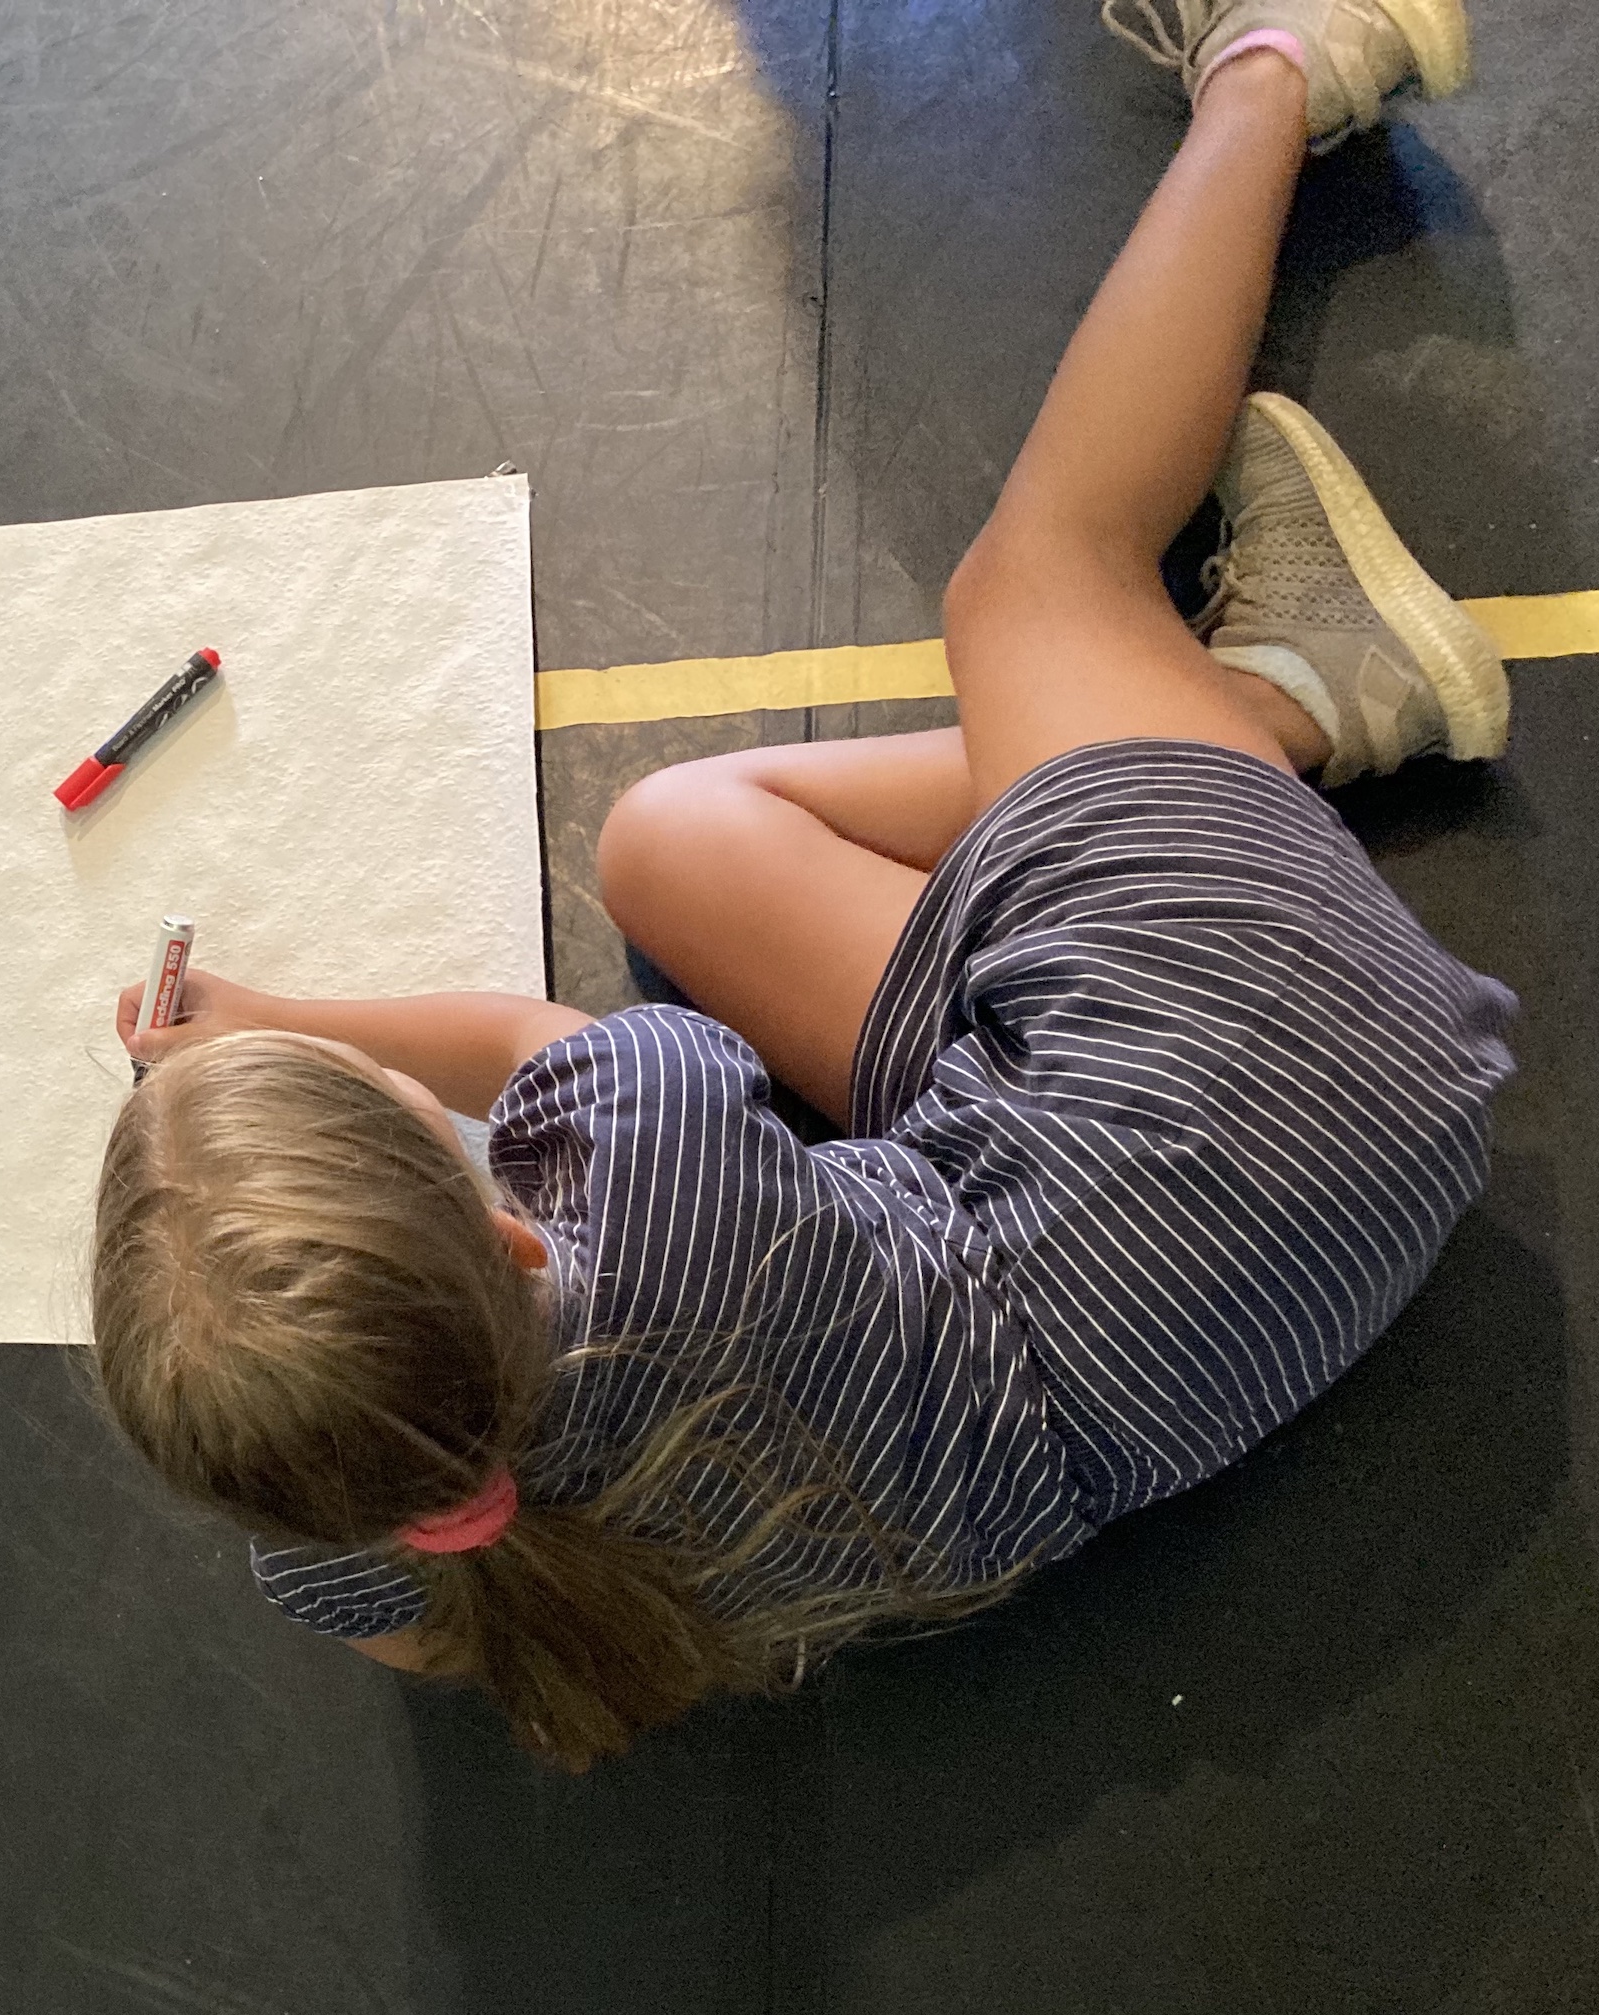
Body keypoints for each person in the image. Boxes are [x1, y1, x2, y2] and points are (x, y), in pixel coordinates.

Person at [88, 0, 1517, 1771]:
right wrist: (277, 1022)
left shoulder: (344, 1542)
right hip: (1281, 1067)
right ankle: (1288, 68)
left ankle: (1294, 703)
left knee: (671, 853)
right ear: (513, 1221)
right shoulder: (651, 1160)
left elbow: (410, 1617)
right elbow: (539, 1037)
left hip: (1274, 1269)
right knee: (1033, 585)